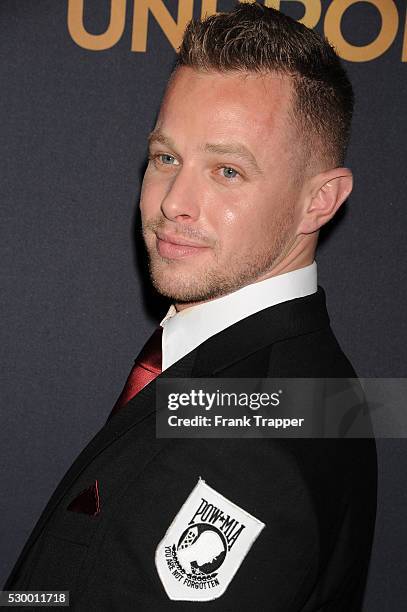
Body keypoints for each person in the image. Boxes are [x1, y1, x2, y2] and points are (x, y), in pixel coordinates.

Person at [5, 4, 377, 610]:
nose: (175, 202)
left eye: (227, 170)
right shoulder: (266, 374)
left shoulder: (252, 439)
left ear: (321, 200)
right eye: (166, 157)